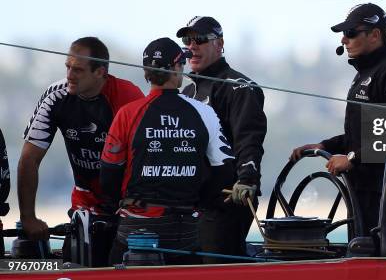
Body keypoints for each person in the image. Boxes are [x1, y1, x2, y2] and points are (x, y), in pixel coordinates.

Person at [291, 3, 386, 253]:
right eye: (344, 34)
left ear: (375, 35)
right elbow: (361, 134)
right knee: (362, 261)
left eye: (351, 33)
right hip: (363, 193)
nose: (344, 39)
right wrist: (324, 146)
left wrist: (352, 158)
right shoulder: (364, 73)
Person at [100, 37, 234, 265]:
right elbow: (225, 172)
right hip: (184, 233)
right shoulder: (204, 112)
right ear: (176, 68)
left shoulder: (127, 113)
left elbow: (108, 176)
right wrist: (197, 202)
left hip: (135, 231)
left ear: (146, 74)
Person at [18, 37, 144, 265]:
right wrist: (28, 217)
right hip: (85, 205)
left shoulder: (128, 96)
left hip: (126, 206)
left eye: (78, 70)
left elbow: (146, 158)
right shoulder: (56, 96)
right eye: (67, 67)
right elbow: (29, 159)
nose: (69, 75)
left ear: (100, 72)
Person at [176, 16, 266, 261]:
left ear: (219, 44)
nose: (192, 46)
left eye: (200, 39)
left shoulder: (239, 87)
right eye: (187, 40)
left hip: (227, 200)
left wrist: (248, 178)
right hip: (192, 204)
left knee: (214, 270)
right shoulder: (187, 91)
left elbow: (249, 137)